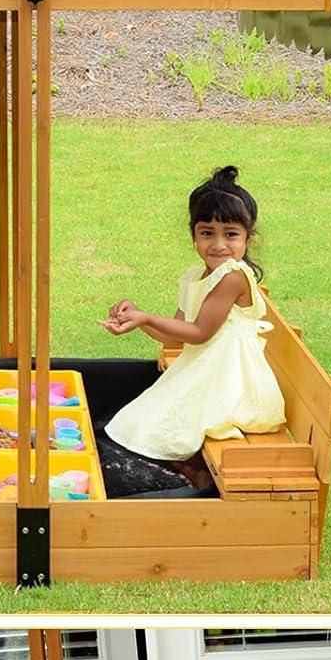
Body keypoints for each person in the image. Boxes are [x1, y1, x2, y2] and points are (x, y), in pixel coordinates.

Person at [103, 166, 285, 462]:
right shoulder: (198, 274)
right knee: (142, 418)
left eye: (231, 234)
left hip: (231, 379)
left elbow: (200, 332)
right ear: (194, 236)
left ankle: (191, 474)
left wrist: (146, 317)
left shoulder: (233, 277)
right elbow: (175, 333)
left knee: (157, 423)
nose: (218, 244)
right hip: (204, 365)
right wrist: (136, 318)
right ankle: (188, 470)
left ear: (248, 239)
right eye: (207, 233)